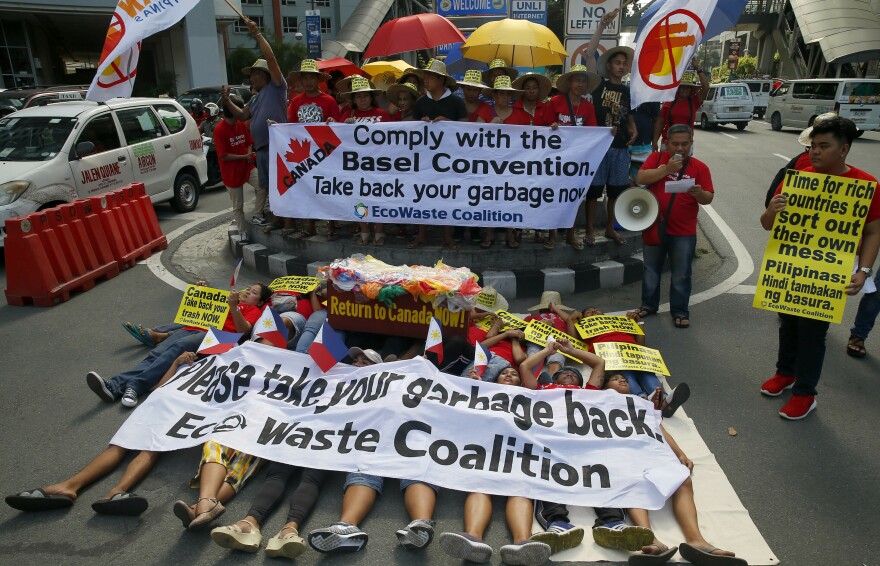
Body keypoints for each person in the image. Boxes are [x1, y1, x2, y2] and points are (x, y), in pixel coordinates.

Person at [760, 116, 879, 419]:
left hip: (828, 273)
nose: (814, 152)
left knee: (813, 333)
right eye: (813, 146)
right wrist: (771, 211)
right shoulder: (797, 177)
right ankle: (785, 373)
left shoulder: (866, 185)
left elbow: (873, 232)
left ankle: (805, 393)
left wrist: (862, 271)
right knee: (788, 324)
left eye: (823, 146)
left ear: (844, 150)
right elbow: (767, 225)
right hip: (790, 268)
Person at [5, 351, 197, 515]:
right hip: (158, 404)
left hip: (182, 413)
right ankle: (68, 486)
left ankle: (117, 491)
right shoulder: (190, 361)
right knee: (119, 446)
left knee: (151, 449)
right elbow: (159, 388)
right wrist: (175, 363)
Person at [518, 340, 656, 556]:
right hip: (552, 440)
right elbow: (525, 367)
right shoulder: (543, 389)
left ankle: (611, 523)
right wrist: (548, 351)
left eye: (575, 374)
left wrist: (571, 351)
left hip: (588, 440)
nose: (571, 374)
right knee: (548, 474)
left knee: (602, 473)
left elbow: (599, 363)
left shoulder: (590, 392)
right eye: (565, 372)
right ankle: (558, 523)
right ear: (554, 378)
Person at [603, 374, 747, 566]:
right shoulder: (598, 402)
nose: (622, 380)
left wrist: (680, 453)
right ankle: (649, 539)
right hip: (624, 450)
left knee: (682, 480)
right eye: (615, 379)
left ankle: (697, 540)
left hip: (651, 447)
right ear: (604, 387)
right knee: (634, 482)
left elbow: (660, 429)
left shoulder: (641, 403)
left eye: (624, 379)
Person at [86, 283, 271, 407]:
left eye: (254, 293)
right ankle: (115, 386)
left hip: (219, 339)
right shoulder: (230, 298)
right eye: (248, 289)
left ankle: (135, 386)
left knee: (178, 347)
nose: (248, 292)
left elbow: (244, 330)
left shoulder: (252, 310)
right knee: (156, 355)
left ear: (260, 301)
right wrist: (203, 291)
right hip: (194, 328)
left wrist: (233, 308)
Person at [438, 364, 552, 566]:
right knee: (480, 486)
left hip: (520, 449)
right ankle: (473, 537)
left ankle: (522, 542)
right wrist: (475, 388)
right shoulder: (484, 392)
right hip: (487, 448)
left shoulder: (531, 397)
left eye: (514, 374)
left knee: (520, 489)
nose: (508, 375)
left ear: (521, 381)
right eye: (504, 373)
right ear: (496, 379)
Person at [635, 124, 714, 329]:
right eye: (675, 144)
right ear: (666, 143)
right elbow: (641, 178)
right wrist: (666, 170)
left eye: (685, 144)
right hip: (655, 225)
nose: (680, 148)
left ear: (691, 144)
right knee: (651, 268)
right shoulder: (657, 159)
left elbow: (708, 198)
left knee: (681, 272)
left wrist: (699, 194)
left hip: (684, 231)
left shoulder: (699, 167)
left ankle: (679, 310)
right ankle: (648, 305)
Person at [220, 16, 287, 235]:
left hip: (276, 145)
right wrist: (227, 100)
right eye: (252, 74)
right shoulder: (256, 98)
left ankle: (286, 221)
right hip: (262, 150)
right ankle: (277, 219)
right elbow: (242, 115)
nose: (253, 77)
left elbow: (271, 58)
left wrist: (257, 34)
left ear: (266, 75)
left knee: (283, 185)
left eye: (257, 73)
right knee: (269, 188)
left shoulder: (277, 87)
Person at [583, 9, 637, 246]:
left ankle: (609, 228)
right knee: (594, 191)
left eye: (624, 63)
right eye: (617, 62)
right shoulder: (598, 85)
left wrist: (633, 128)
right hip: (599, 146)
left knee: (616, 191)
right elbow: (589, 55)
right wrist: (601, 27)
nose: (621, 66)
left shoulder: (628, 91)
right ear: (610, 66)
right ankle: (588, 230)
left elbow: (628, 115)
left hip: (620, 146)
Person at [410, 59, 467, 250]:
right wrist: (421, 124)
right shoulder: (420, 102)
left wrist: (449, 123)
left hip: (450, 159)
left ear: (442, 80)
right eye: (425, 77)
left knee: (447, 196)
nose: (426, 80)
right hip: (425, 159)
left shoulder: (456, 102)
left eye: (431, 77)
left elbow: (468, 130)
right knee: (421, 196)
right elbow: (410, 129)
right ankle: (420, 235)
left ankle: (448, 236)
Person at [544, 64, 600, 250]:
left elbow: (593, 133)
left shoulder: (588, 107)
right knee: (553, 196)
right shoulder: (555, 102)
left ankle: (570, 234)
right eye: (577, 80)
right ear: (569, 83)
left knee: (574, 197)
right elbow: (543, 127)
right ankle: (551, 234)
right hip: (556, 158)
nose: (580, 84)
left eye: (583, 81)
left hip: (578, 160)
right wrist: (551, 126)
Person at [213, 94, 261, 240]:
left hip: (247, 166)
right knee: (238, 206)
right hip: (231, 173)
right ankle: (242, 232)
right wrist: (244, 157)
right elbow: (223, 155)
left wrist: (247, 154)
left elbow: (248, 142)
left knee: (262, 186)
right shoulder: (219, 130)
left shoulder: (241, 125)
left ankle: (257, 214)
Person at [652, 67, 708, 152]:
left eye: (687, 87)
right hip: (668, 143)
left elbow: (706, 87)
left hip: (685, 144)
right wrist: (655, 141)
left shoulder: (694, 101)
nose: (684, 90)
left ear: (691, 89)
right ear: (677, 88)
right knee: (666, 165)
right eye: (682, 87)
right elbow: (660, 123)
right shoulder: (669, 101)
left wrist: (698, 69)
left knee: (685, 165)